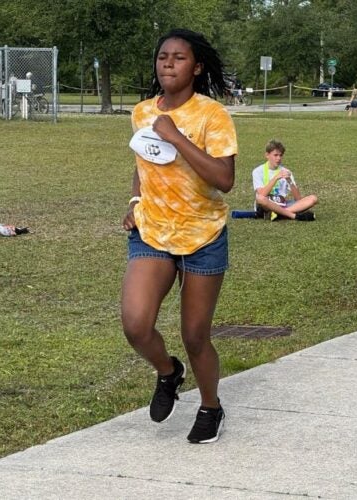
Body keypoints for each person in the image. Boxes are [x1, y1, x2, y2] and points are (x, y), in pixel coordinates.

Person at [121, 28, 236, 443]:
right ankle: (168, 373)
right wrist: (135, 202)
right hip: (152, 232)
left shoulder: (212, 116)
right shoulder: (141, 112)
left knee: (195, 335)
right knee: (135, 325)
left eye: (179, 58)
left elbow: (225, 179)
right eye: (163, 56)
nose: (168, 63)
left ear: (197, 67)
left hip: (203, 235)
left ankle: (211, 407)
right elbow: (144, 163)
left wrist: (176, 136)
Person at [252, 140, 317, 221]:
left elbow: (298, 199)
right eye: (275, 155)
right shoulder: (258, 171)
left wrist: (289, 180)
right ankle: (294, 216)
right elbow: (262, 194)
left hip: (282, 204)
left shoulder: (286, 171)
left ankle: (277, 214)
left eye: (280, 155)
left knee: (313, 198)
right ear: (267, 155)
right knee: (260, 198)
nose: (278, 158)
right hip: (266, 205)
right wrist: (275, 178)